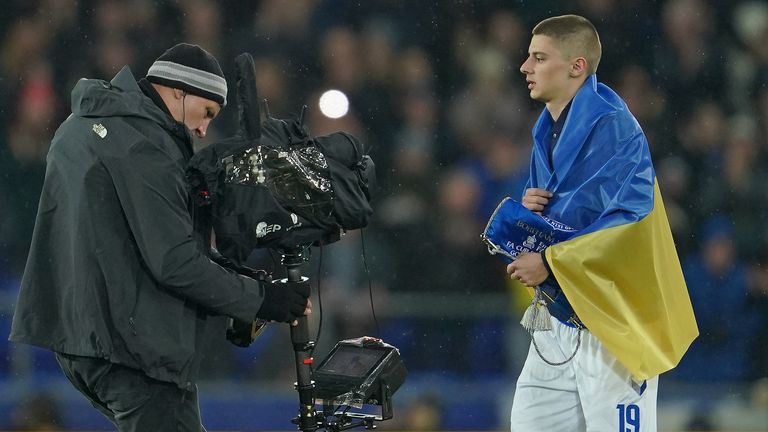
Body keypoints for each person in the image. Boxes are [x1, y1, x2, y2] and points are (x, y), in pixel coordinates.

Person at [9, 43, 311, 431]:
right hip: (130, 347)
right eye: (206, 113)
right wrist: (262, 300)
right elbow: (175, 262)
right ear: (178, 91)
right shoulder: (144, 144)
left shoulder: (83, 123)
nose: (204, 129)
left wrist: (247, 284)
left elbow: (142, 239)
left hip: (81, 338)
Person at [505, 15, 698, 431]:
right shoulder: (548, 128)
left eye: (539, 57)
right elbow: (575, 212)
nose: (525, 66)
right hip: (559, 317)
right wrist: (530, 213)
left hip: (613, 319)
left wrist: (552, 263)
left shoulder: (614, 127)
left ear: (577, 66)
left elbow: (629, 224)